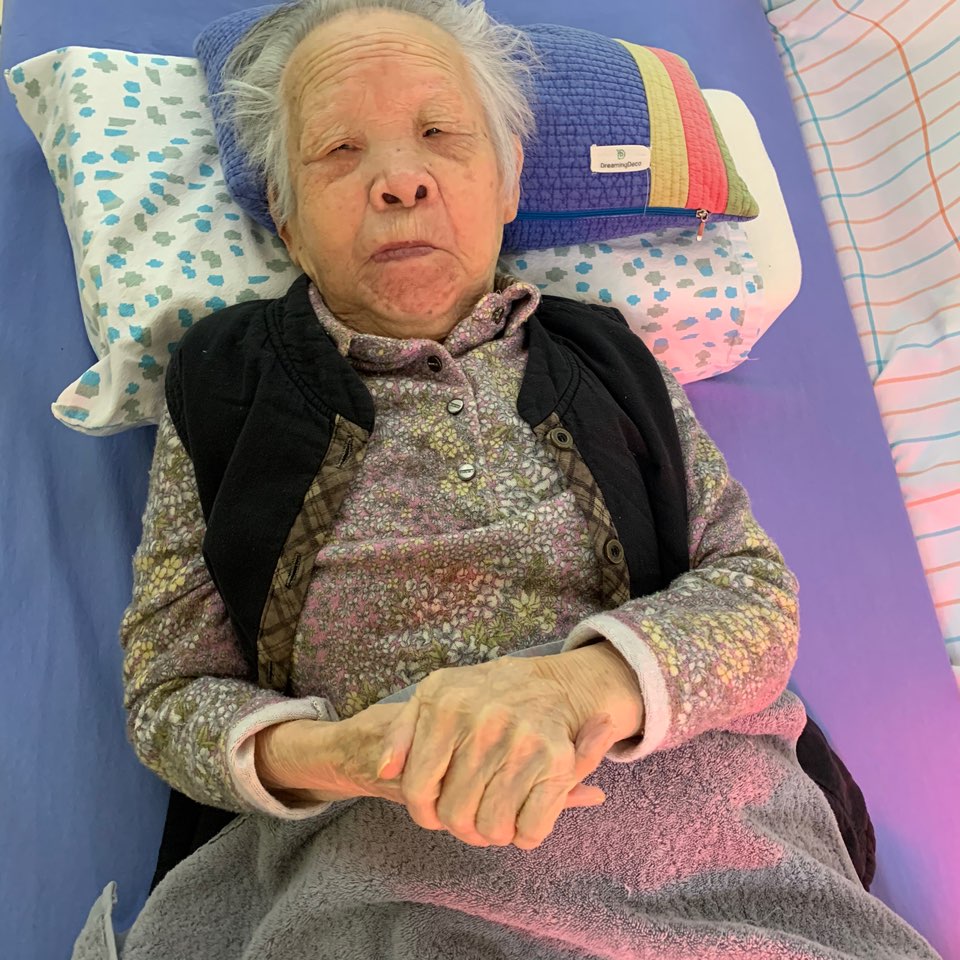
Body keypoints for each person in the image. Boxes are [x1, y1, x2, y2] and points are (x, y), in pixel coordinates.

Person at [73, 1, 941, 957]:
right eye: (338, 152)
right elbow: (171, 693)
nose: (399, 179)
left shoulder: (609, 356)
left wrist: (576, 687)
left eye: (440, 135)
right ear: (286, 218)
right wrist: (345, 755)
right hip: (385, 854)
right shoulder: (220, 377)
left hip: (705, 841)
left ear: (508, 179)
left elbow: (754, 594)